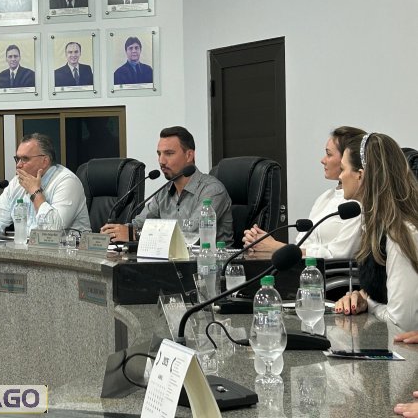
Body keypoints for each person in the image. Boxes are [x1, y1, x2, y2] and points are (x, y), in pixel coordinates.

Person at [334, 133, 418, 331]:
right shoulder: (375, 226)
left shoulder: (401, 234)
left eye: (343, 169)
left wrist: (369, 304)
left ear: (360, 175)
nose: (339, 177)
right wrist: (360, 297)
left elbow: (402, 322)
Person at [243, 126, 366, 257]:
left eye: (329, 154)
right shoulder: (325, 197)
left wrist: (276, 247)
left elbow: (338, 255)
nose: (323, 160)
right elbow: (301, 244)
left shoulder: (357, 205)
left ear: (346, 158)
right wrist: (262, 243)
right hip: (305, 267)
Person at [100, 126, 233, 245]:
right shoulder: (163, 193)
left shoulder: (212, 191)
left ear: (189, 155)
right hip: (172, 263)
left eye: (169, 154)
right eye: (159, 154)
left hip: (210, 262)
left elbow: (190, 236)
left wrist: (135, 235)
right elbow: (140, 224)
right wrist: (117, 231)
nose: (161, 161)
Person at [0, 133, 90, 234]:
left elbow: (53, 231)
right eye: (17, 159)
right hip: (28, 251)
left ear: (45, 161)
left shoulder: (66, 181)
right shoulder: (16, 183)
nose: (18, 165)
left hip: (69, 253)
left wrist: (35, 192)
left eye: (25, 159)